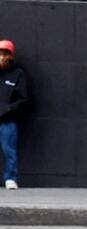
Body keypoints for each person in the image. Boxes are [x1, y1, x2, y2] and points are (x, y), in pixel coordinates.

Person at [0, 39, 28, 190]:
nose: (2, 57)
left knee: (9, 149)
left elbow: (22, 99)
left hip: (7, 120)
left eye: (5, 54)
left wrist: (6, 110)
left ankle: (10, 178)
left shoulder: (17, 74)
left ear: (10, 56)